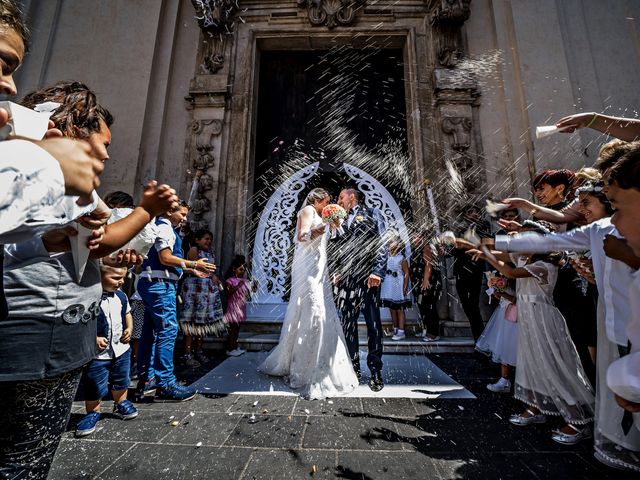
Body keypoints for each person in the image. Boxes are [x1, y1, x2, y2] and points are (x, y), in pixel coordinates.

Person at [468, 236, 595, 445]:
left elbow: (509, 272)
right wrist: (471, 245)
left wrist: (487, 254)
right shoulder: (524, 257)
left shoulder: (544, 265)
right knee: (532, 363)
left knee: (555, 364)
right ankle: (536, 406)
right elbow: (503, 255)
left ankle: (578, 420)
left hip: (544, 319)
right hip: (528, 318)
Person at [259, 188, 358, 399]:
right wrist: (324, 224)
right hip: (306, 268)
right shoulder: (307, 211)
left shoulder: (321, 215)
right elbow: (301, 236)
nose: (328, 205)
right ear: (319, 201)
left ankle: (324, 359)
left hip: (320, 267)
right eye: (327, 202)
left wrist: (334, 223)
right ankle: (304, 365)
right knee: (313, 308)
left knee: (323, 308)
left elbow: (333, 237)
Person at [136, 201, 215, 401]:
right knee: (168, 330)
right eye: (182, 214)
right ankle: (166, 382)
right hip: (160, 285)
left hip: (153, 282)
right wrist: (192, 263)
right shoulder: (165, 228)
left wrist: (189, 269)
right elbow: (165, 258)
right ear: (170, 211)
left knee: (151, 332)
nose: (184, 219)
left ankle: (147, 378)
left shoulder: (161, 227)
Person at [332, 187, 387, 392]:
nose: (338, 201)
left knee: (373, 325)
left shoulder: (372, 214)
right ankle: (353, 369)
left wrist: (378, 272)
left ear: (351, 197)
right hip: (347, 280)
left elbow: (382, 241)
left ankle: (375, 370)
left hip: (368, 279)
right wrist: (336, 270)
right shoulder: (340, 219)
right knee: (348, 324)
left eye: (340, 197)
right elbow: (337, 247)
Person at [75, 266, 138, 437]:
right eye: (116, 278)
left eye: (123, 278)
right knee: (94, 383)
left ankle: (121, 402)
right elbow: (83, 322)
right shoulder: (90, 298)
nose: (121, 281)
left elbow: (128, 313)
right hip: (99, 354)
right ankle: (92, 412)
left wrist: (130, 328)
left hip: (121, 349)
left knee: (121, 379)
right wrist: (93, 337)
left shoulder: (121, 296)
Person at [179, 229, 225, 366]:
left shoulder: (210, 252)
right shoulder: (194, 250)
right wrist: (212, 276)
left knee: (202, 322)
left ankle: (198, 350)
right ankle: (187, 354)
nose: (208, 241)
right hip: (194, 289)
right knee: (191, 322)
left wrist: (214, 278)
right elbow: (191, 268)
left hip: (207, 291)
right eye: (205, 238)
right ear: (197, 240)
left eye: (210, 239)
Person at [475, 274, 517, 393]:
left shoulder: (516, 279)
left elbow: (517, 299)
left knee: (513, 347)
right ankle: (504, 380)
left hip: (514, 315)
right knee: (503, 347)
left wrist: (501, 293)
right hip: (503, 314)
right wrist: (496, 293)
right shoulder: (503, 277)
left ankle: (518, 381)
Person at [410, 231, 442, 342]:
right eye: (413, 237)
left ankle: (433, 333)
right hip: (419, 283)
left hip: (428, 283)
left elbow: (428, 264)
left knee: (429, 307)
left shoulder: (427, 248)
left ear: (423, 237)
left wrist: (426, 280)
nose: (415, 239)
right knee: (422, 306)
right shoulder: (416, 249)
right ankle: (426, 329)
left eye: (417, 236)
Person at [380, 234, 411, 341]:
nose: (389, 244)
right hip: (389, 284)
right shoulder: (386, 256)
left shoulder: (401, 258)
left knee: (399, 308)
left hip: (398, 284)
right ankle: (395, 328)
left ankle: (401, 331)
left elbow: (406, 273)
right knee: (392, 307)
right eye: (388, 243)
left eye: (391, 242)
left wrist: (405, 286)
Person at [223, 255, 253, 357]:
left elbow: (249, 294)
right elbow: (228, 293)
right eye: (240, 269)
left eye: (244, 269)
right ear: (234, 269)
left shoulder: (245, 281)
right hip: (233, 308)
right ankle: (229, 349)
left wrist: (255, 287)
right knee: (232, 329)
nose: (243, 271)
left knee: (237, 329)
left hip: (241, 308)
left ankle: (234, 347)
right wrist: (238, 286)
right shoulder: (230, 280)